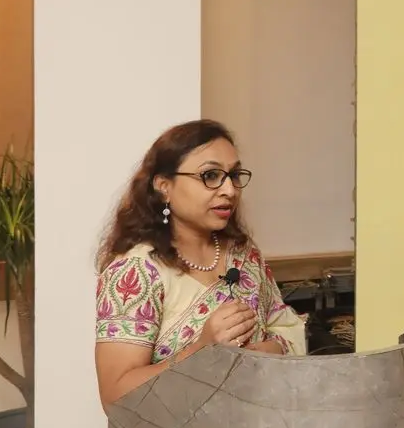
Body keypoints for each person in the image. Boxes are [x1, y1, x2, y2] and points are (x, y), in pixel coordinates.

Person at [94, 119, 307, 406]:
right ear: (164, 186)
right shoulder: (135, 272)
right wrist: (202, 350)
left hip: (257, 427)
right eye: (210, 175)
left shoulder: (244, 254)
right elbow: (116, 396)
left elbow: (286, 327)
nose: (229, 190)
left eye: (234, 175)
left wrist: (269, 352)